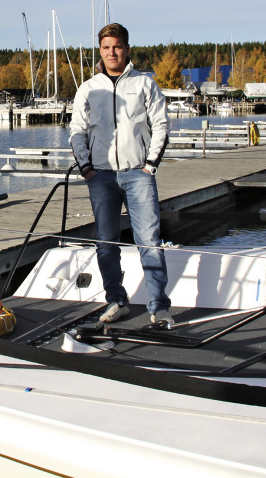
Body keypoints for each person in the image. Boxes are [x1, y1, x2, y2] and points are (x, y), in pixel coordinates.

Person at [69, 23, 172, 325]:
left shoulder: (144, 84)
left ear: (126, 48)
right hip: (101, 177)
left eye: (116, 46)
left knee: (149, 241)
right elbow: (77, 130)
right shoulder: (88, 88)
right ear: (100, 50)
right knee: (106, 242)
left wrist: (150, 164)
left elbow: (161, 125)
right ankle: (116, 301)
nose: (111, 52)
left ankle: (159, 307)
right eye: (106, 47)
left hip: (138, 174)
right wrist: (86, 167)